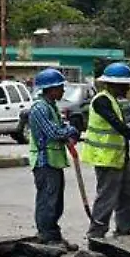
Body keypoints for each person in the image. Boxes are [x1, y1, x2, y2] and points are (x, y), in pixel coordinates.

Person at [77, 61, 130, 240]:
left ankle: (123, 232)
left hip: (119, 158)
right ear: (115, 84)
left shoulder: (114, 101)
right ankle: (96, 234)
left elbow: (123, 126)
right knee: (107, 198)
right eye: (125, 85)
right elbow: (118, 126)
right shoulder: (101, 101)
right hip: (105, 158)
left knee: (128, 197)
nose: (127, 89)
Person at [25, 68, 80, 246]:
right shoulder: (40, 108)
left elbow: (61, 129)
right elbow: (54, 132)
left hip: (54, 161)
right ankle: (46, 236)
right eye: (60, 87)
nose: (63, 91)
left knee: (56, 202)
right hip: (44, 161)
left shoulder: (51, 107)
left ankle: (54, 235)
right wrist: (70, 131)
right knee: (47, 201)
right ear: (50, 89)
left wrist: (69, 132)